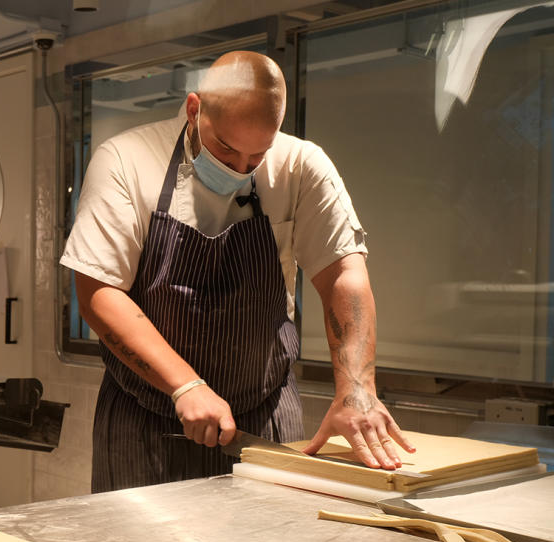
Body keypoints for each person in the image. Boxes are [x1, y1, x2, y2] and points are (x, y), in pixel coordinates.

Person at [61, 51, 415, 493]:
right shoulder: (126, 160)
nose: (240, 168)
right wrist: (185, 385)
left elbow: (344, 274)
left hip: (263, 411)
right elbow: (98, 290)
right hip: (147, 417)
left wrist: (356, 388)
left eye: (257, 155)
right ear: (195, 110)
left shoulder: (301, 165)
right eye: (226, 149)